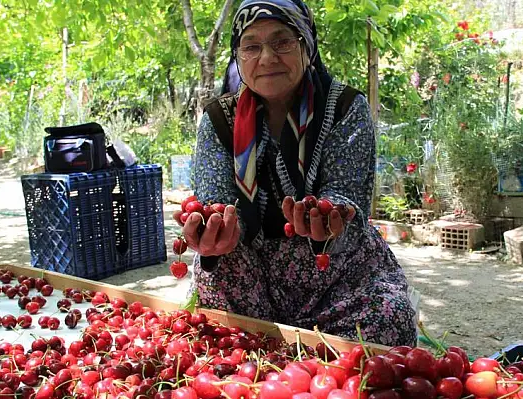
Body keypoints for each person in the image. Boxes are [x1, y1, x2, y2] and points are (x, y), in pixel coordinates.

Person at [175, 0, 417, 347]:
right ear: (238, 56)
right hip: (248, 276)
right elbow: (216, 202)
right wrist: (213, 232)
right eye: (252, 46)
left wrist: (330, 217)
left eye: (282, 41)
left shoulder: (346, 107)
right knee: (221, 337)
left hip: (334, 274)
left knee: (389, 316)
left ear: (307, 44)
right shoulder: (218, 120)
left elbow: (348, 194)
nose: (267, 58)